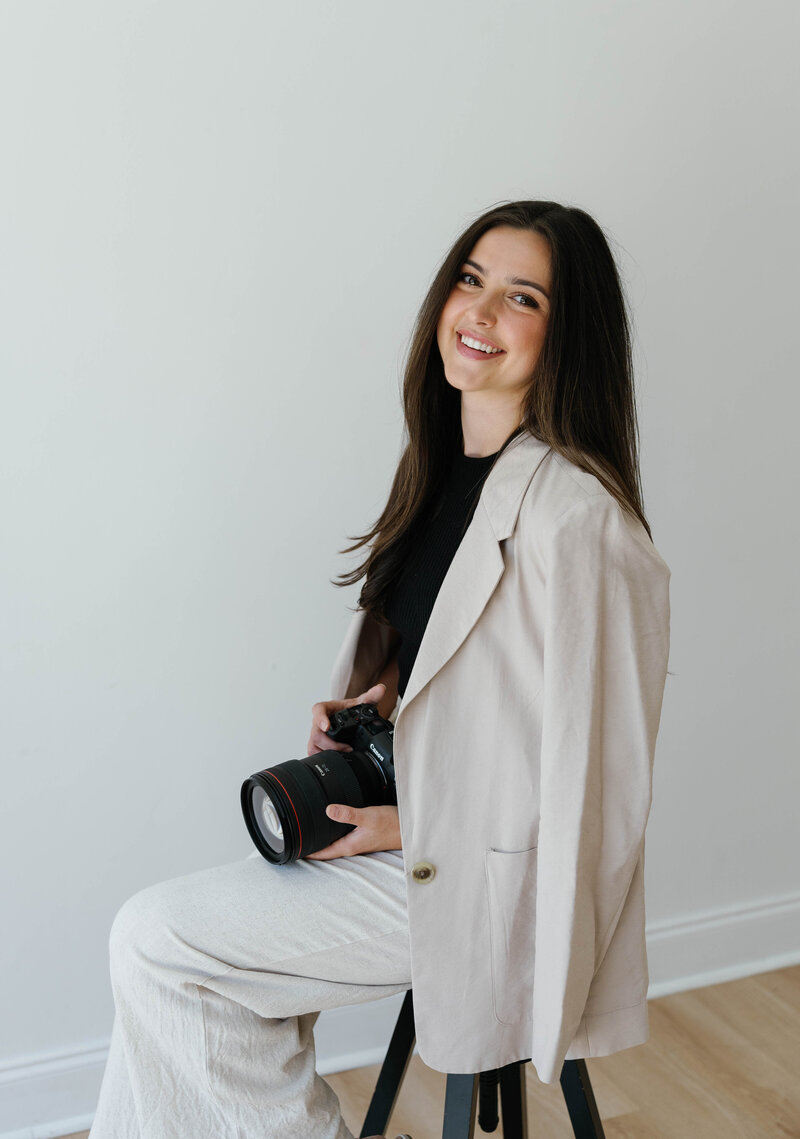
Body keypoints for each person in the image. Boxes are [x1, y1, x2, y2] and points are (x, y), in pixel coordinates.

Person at [88, 199, 670, 1138]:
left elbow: (596, 778)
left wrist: (418, 815)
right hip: (411, 844)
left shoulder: (581, 519)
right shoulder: (445, 469)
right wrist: (390, 701)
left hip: (489, 885)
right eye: (470, 280)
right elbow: (482, 674)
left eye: (521, 297)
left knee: (159, 942)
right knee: (170, 960)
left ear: (568, 336)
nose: (478, 313)